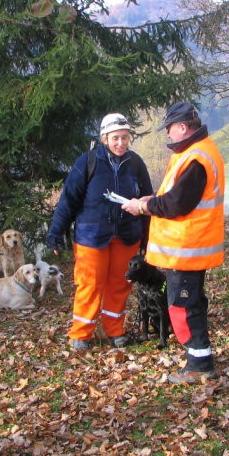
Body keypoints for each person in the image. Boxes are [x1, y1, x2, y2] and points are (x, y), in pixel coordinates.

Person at [121, 102, 225, 384]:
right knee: (192, 304)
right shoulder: (197, 152)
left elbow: (177, 203)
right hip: (189, 247)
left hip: (188, 248)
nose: (167, 134)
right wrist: (150, 199)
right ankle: (199, 358)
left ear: (182, 127)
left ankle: (199, 365)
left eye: (169, 128)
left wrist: (144, 207)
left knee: (182, 307)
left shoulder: (195, 158)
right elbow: (172, 194)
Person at [47, 113, 154, 351]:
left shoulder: (135, 164)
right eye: (115, 138)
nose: (121, 143)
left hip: (127, 235)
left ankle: (115, 331)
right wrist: (55, 232)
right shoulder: (88, 161)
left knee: (120, 284)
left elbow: (148, 201)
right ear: (105, 138)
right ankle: (81, 334)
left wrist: (148, 237)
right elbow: (69, 200)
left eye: (125, 138)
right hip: (91, 237)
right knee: (89, 284)